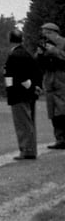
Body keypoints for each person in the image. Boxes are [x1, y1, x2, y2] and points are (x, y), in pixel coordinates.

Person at [4, 29, 40, 160]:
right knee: (29, 123)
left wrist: (11, 90)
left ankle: (26, 150)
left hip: (18, 94)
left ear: (9, 39)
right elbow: (36, 72)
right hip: (28, 93)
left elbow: (13, 76)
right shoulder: (27, 54)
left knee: (22, 124)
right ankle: (30, 149)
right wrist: (34, 87)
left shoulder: (14, 56)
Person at [38, 22, 65, 151]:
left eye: (46, 33)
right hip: (49, 79)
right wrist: (40, 54)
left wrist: (53, 51)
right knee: (53, 112)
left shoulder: (63, 43)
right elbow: (38, 64)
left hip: (62, 78)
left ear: (52, 32)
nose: (44, 36)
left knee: (63, 110)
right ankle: (60, 139)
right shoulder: (43, 45)